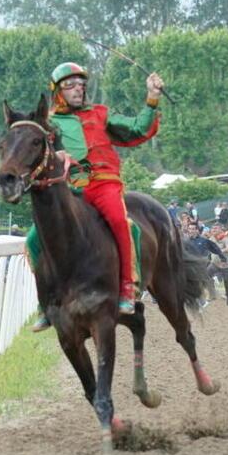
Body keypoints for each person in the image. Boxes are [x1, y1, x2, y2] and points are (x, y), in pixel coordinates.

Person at [28, 62, 164, 331]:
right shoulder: (50, 123)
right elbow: (42, 154)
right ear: (57, 91)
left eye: (81, 84)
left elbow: (137, 128)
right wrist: (57, 156)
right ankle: (46, 303)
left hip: (105, 184)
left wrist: (152, 98)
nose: (78, 88)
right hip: (72, 188)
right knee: (33, 238)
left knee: (119, 220)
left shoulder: (101, 113)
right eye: (71, 84)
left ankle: (127, 289)